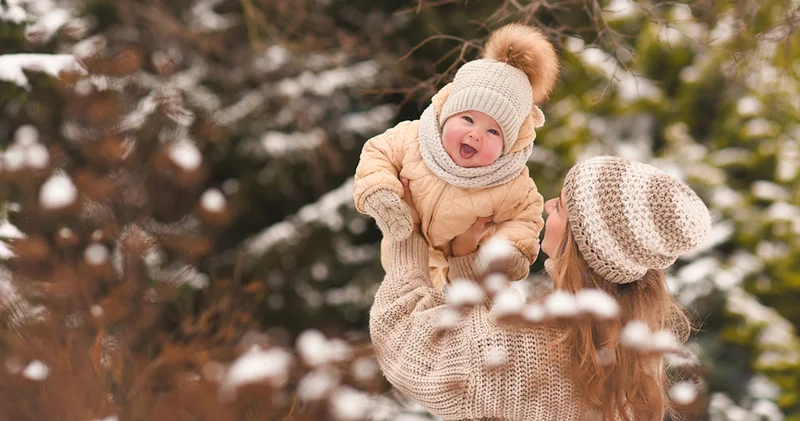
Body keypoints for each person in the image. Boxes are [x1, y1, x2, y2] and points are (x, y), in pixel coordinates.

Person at [369, 156, 711, 421]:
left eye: (560, 206)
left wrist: (405, 233)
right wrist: (469, 262)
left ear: (581, 244)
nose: (548, 205)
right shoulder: (623, 359)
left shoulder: (533, 348)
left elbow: (399, 338)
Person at [352, 23, 560, 289]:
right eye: (468, 118)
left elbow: (526, 217)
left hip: (465, 276)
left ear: (507, 146)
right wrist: (382, 193)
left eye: (493, 131)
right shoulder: (413, 138)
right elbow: (377, 153)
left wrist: (509, 251)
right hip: (401, 258)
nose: (476, 135)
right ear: (447, 114)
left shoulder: (509, 182)